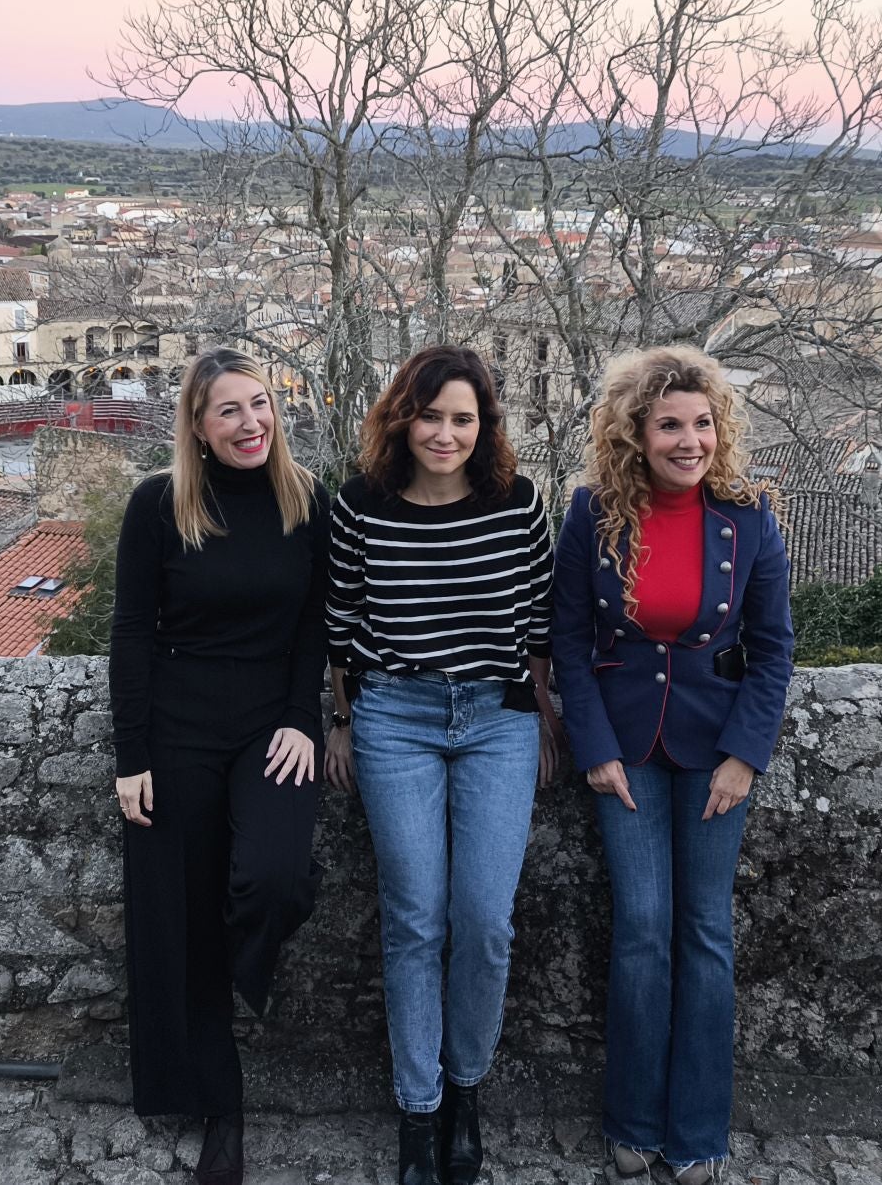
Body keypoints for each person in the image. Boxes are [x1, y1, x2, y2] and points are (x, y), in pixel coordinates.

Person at [550, 345, 795, 1185]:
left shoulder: (750, 515)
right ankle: (631, 1120)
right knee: (642, 933)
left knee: (706, 935)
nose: (687, 441)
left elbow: (773, 652)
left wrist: (744, 757)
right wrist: (593, 749)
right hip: (624, 754)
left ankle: (698, 1132)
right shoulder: (592, 513)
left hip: (714, 752)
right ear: (636, 432)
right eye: (668, 425)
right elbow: (568, 646)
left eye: (701, 424)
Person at [325, 344, 561, 1185]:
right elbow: (342, 624)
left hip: (497, 718)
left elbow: (540, 616)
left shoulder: (520, 504)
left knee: (484, 921)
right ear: (403, 417)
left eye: (464, 418)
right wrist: (344, 724)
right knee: (416, 918)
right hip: (396, 715)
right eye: (431, 415)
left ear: (484, 425)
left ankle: (467, 1089)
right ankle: (419, 1112)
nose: (446, 433)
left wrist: (542, 717)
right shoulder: (361, 507)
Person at [110, 348, 331, 1185]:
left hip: (270, 726)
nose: (251, 423)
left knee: (274, 877)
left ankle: (246, 980)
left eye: (261, 404)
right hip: (178, 729)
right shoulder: (160, 505)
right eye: (229, 411)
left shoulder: (308, 501)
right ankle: (220, 1108)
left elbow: (317, 625)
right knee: (183, 915)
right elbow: (131, 633)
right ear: (198, 428)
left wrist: (304, 719)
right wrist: (132, 757)